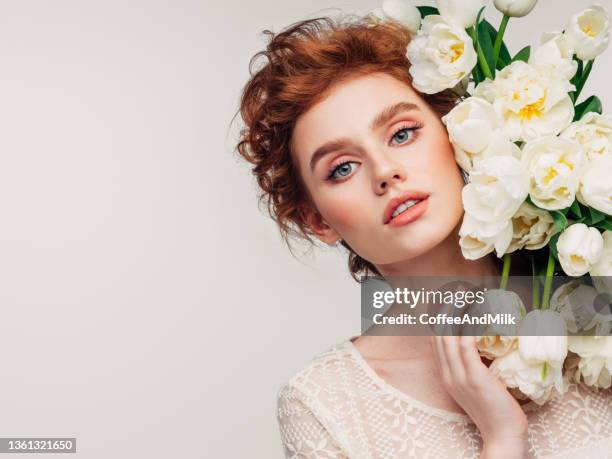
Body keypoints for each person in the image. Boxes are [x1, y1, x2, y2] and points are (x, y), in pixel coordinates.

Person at [235, 15, 612, 459]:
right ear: (319, 221)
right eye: (342, 167)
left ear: (457, 131)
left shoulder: (594, 315)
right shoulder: (326, 404)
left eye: (402, 133)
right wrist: (502, 441)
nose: (385, 171)